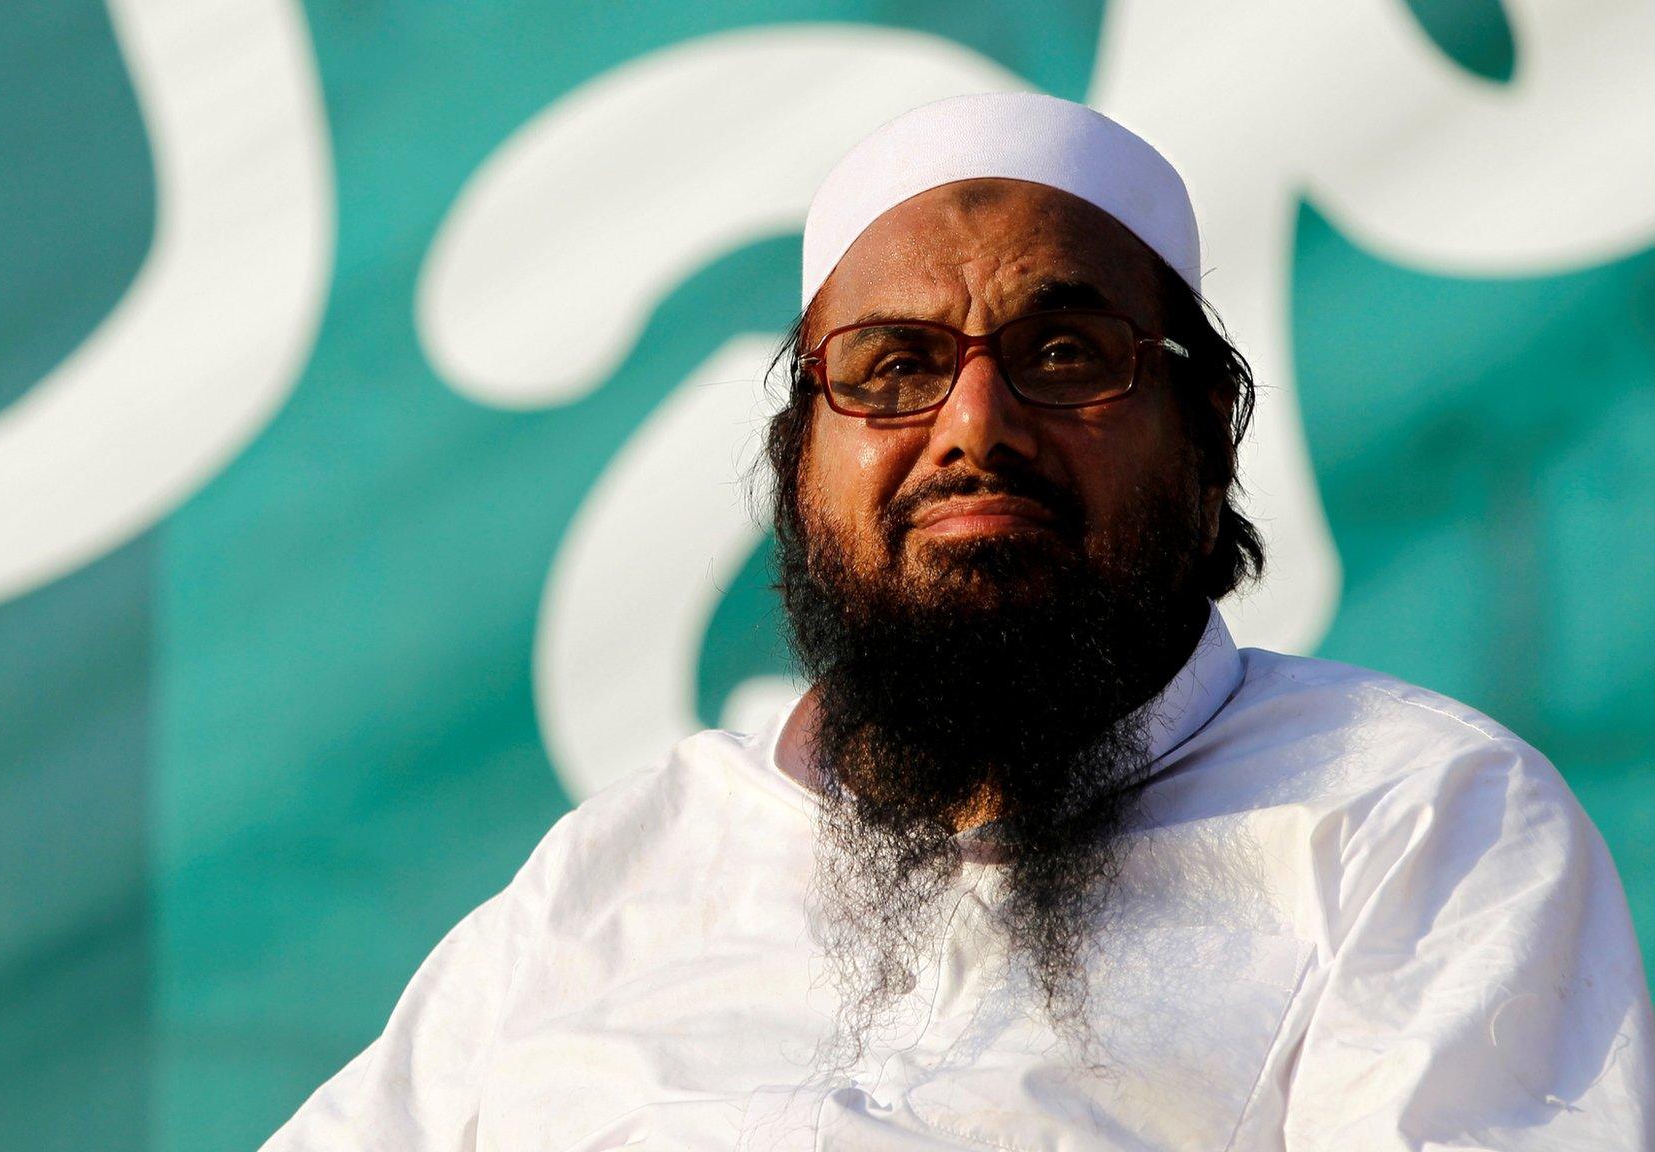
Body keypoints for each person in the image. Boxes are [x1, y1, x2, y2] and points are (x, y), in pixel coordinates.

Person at [261, 93, 1654, 1150]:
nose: (975, 429)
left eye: (1066, 355)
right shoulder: (611, 880)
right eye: (893, 368)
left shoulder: (1416, 823)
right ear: (798, 459)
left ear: (1209, 432)